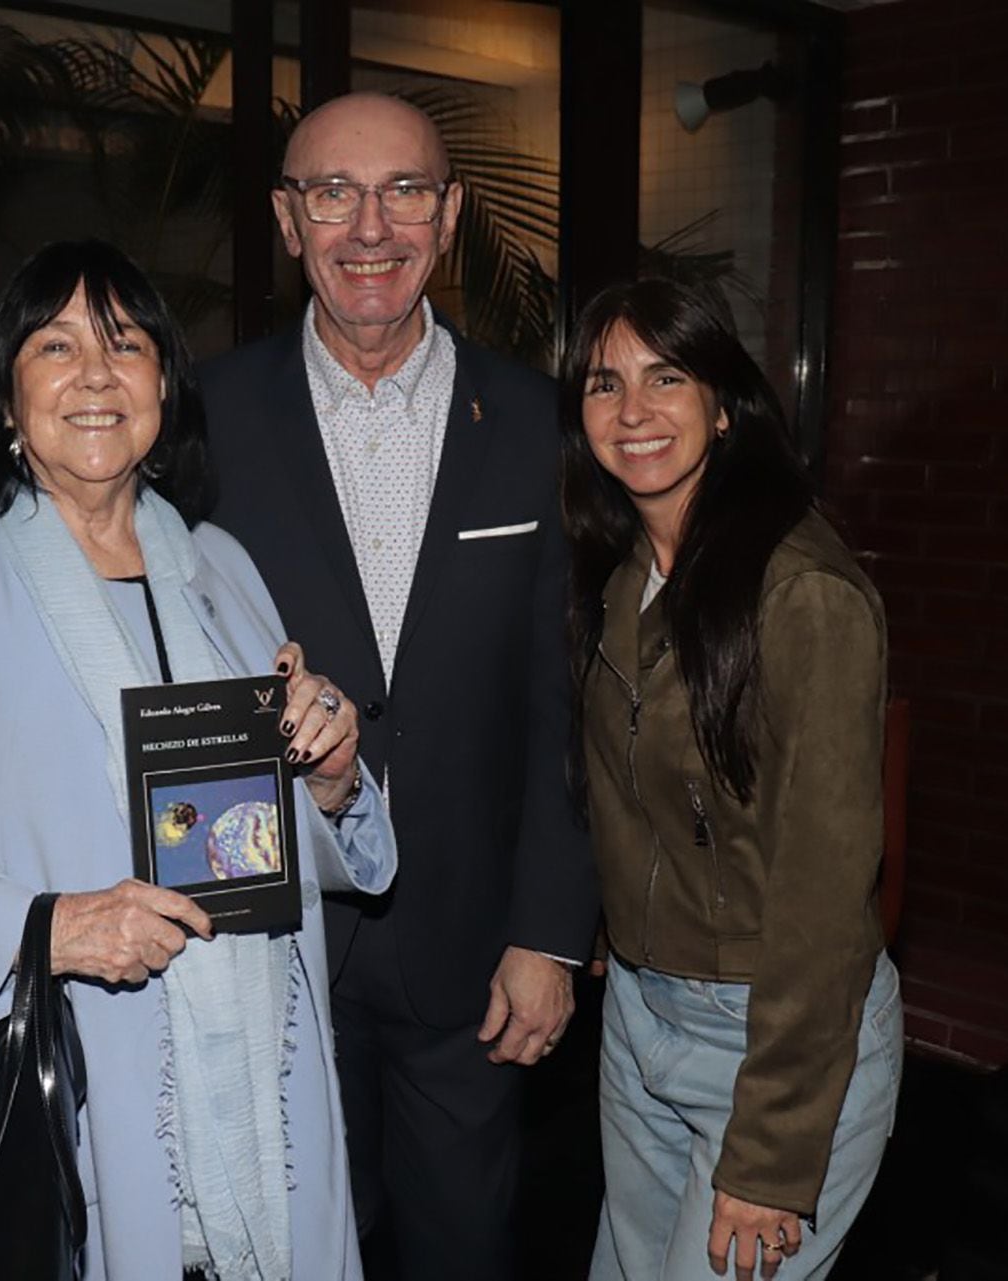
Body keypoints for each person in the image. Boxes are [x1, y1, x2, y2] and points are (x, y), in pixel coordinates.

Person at [0, 239, 398, 1281]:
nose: (96, 375)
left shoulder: (219, 568)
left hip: (256, 1110)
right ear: (8, 399)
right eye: (56, 346)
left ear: (163, 388)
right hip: (67, 1094)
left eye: (126, 344)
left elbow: (254, 849)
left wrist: (324, 776)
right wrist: (49, 926)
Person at [200, 91, 598, 1276]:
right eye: (333, 192)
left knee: (460, 1250)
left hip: (472, 957)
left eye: (404, 191)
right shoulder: (200, 421)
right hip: (269, 942)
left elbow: (564, 702)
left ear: (451, 212)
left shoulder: (535, 424)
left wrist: (549, 934)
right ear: (287, 218)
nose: (370, 227)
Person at [562, 278, 901, 1281]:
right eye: (602, 383)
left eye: (666, 377)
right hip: (639, 1016)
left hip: (777, 1044)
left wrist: (774, 1150)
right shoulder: (619, 574)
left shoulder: (805, 595)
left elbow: (828, 896)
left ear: (723, 402)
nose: (632, 412)